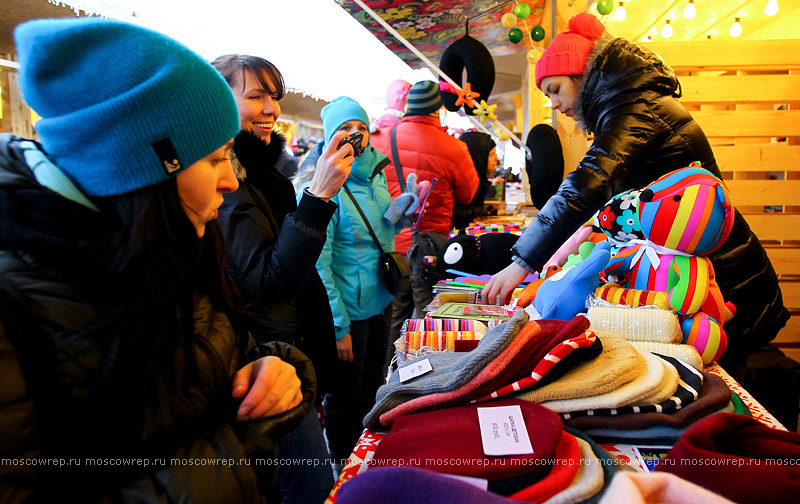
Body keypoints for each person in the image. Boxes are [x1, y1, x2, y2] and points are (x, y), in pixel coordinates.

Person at [0, 19, 314, 502]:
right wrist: (235, 450)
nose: (229, 182)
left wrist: (276, 367)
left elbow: (226, 353)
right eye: (214, 159)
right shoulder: (15, 311)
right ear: (151, 169)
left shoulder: (178, 245)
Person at [482, 12, 789, 373]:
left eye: (556, 89)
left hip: (724, 282)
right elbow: (614, 202)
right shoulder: (629, 106)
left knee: (722, 391)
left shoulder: (636, 109)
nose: (554, 104)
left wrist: (522, 262)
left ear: (582, 76)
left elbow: (589, 182)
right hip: (695, 276)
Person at [211, 54, 352, 503]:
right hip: (264, 363)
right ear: (217, 101)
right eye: (255, 96)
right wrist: (319, 195)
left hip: (290, 351)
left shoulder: (264, 174)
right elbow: (269, 279)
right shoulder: (227, 180)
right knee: (309, 489)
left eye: (274, 96)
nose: (271, 108)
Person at [298, 96, 401, 469]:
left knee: (373, 384)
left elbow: (381, 237)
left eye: (361, 127)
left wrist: (403, 212)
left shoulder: (374, 174)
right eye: (345, 128)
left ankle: (369, 459)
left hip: (379, 300)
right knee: (345, 396)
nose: (356, 135)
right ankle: (344, 468)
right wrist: (338, 326)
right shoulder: (324, 186)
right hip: (346, 313)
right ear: (329, 137)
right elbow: (318, 265)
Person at [371, 80, 480, 343]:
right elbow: (468, 194)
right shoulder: (454, 148)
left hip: (389, 247)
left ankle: (388, 380)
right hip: (432, 249)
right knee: (427, 323)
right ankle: (420, 376)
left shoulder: (379, 140)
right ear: (438, 109)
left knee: (391, 323)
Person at [453, 131, 502, 229]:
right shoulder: (466, 181)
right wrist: (486, 209)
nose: (496, 159)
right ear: (478, 156)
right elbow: (457, 212)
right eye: (492, 155)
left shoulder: (478, 178)